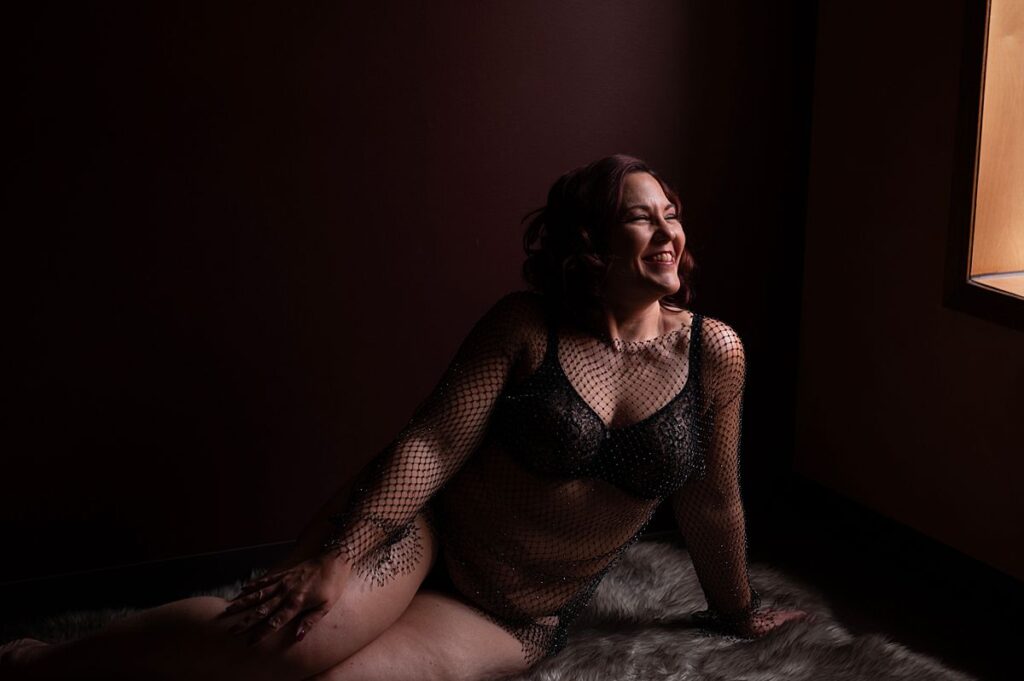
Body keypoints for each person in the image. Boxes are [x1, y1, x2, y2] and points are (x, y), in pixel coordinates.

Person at [1, 154, 807, 680]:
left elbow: (714, 499)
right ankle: (53, 661)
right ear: (592, 242)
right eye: (641, 216)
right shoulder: (526, 327)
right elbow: (433, 441)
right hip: (424, 540)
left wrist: (735, 610)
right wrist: (340, 555)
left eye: (671, 213)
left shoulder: (714, 352)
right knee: (284, 642)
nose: (668, 231)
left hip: (518, 612)